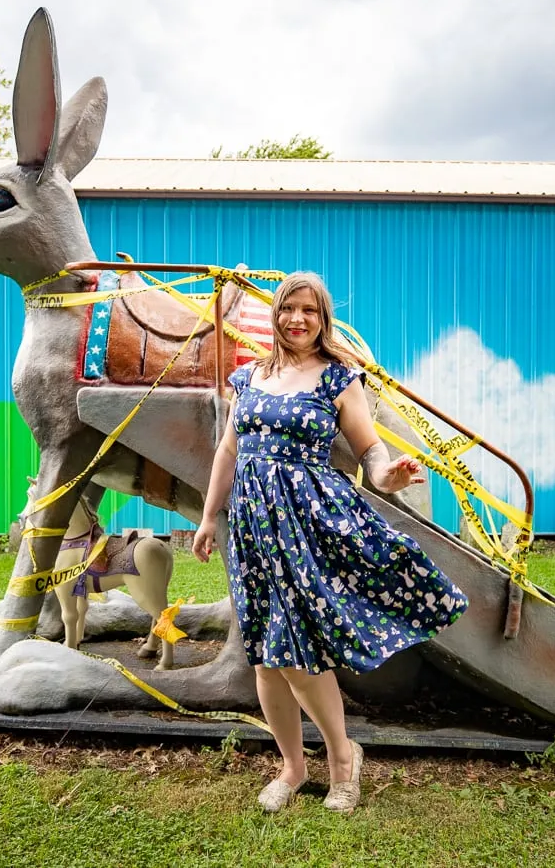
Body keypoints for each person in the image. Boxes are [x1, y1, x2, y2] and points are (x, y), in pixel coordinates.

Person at [192, 271, 468, 814]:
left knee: (297, 654)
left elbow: (369, 451)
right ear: (275, 315)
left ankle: (343, 760)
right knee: (264, 659)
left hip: (306, 527)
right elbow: (228, 452)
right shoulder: (247, 378)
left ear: (323, 319)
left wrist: (387, 476)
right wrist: (208, 517)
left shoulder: (339, 379)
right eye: (289, 309)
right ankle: (293, 768)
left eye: (309, 311)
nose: (297, 319)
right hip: (251, 531)